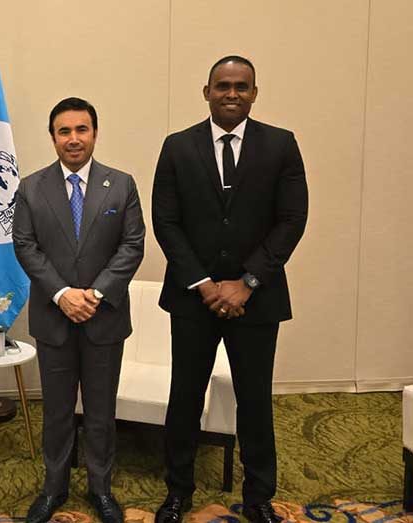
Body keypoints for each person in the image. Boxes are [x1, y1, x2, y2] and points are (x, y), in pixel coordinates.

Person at [151, 56, 308, 523]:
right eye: (223, 85)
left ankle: (258, 497)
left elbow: (291, 220)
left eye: (242, 86)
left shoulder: (281, 145)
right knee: (185, 397)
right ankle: (177, 491)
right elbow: (167, 221)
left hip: (256, 301)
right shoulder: (177, 147)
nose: (232, 93)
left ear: (255, 93)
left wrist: (248, 282)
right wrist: (203, 284)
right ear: (207, 91)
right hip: (192, 299)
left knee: (255, 399)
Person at [13, 97, 146, 523]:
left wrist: (96, 293)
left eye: (81, 129)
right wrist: (61, 294)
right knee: (56, 410)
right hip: (55, 318)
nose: (73, 139)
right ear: (52, 137)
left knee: (101, 411)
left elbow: (132, 245)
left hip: (103, 318)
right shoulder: (32, 187)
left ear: (94, 132)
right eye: (64, 131)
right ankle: (54, 488)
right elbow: (25, 246)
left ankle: (100, 489)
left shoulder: (121, 184)